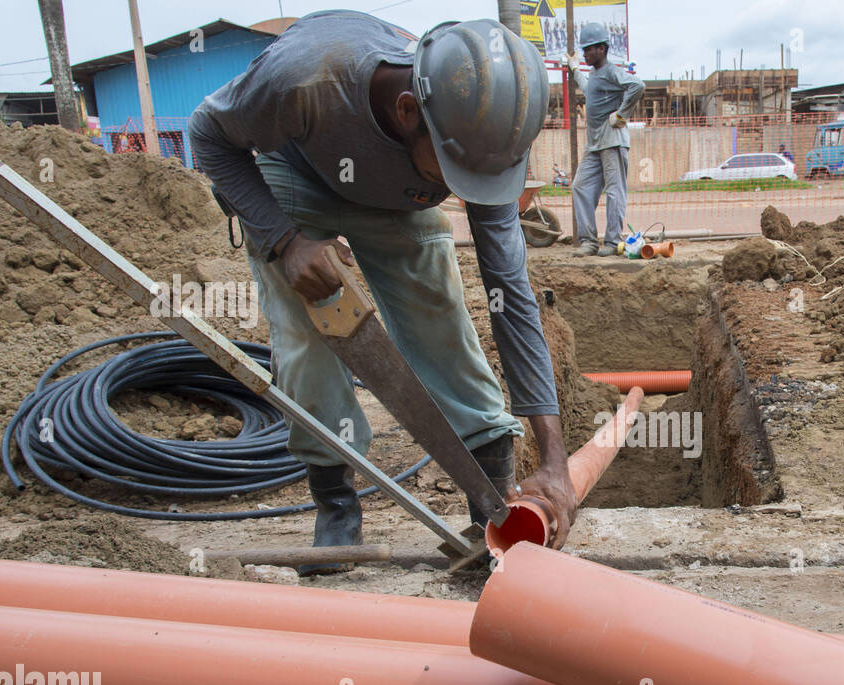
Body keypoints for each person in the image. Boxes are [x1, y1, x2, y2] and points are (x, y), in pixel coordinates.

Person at [188, 12, 578, 571]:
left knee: (440, 319)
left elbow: (509, 295)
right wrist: (284, 240)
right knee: (308, 329)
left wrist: (556, 461)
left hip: (395, 198)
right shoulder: (305, 80)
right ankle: (337, 507)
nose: (461, 191)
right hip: (297, 179)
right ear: (407, 113)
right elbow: (208, 135)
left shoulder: (477, 140)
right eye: (452, 173)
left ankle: (489, 501)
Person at [567, 22, 644, 256]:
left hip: (612, 141)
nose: (585, 54)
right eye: (584, 50)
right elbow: (589, 89)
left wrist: (622, 114)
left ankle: (612, 242)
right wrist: (574, 69)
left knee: (614, 192)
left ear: (601, 49)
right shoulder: (595, 73)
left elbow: (637, 85)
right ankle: (589, 241)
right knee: (580, 187)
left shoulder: (611, 71)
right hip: (594, 144)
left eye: (588, 49)